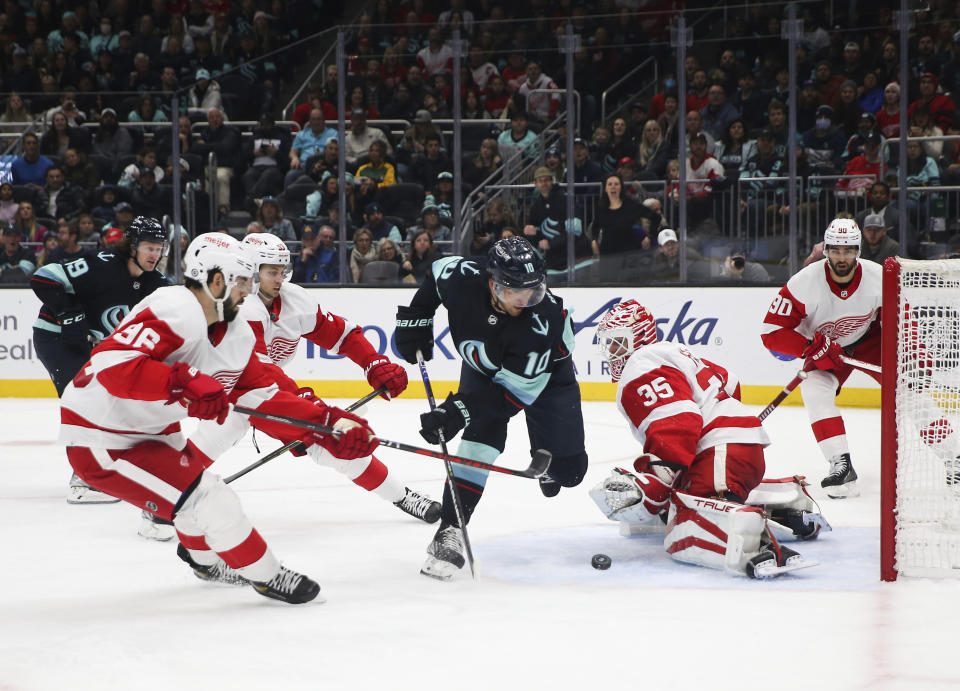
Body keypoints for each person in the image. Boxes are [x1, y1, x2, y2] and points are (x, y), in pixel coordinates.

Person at [59, 232, 378, 604]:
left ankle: (206, 564)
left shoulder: (238, 334)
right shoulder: (172, 307)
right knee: (210, 499)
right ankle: (267, 576)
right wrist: (184, 382)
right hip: (100, 435)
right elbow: (114, 367)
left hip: (151, 430)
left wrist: (331, 425)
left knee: (195, 490)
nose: (249, 290)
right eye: (242, 281)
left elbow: (266, 393)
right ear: (216, 280)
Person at [186, 233, 439, 522]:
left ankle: (401, 496)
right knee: (214, 439)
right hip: (228, 390)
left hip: (266, 392)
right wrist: (309, 405)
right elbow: (258, 371)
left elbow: (343, 335)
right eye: (271, 272)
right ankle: (162, 497)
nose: (280, 279)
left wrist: (373, 362)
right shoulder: (241, 305)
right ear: (251, 271)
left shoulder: (294, 299)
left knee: (331, 444)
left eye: (283, 271)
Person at [394, 236, 587, 580]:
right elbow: (436, 274)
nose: (526, 300)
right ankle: (451, 529)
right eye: (516, 292)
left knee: (570, 473)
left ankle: (551, 461)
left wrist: (457, 411)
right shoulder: (464, 277)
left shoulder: (540, 323)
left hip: (546, 375)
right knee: (480, 439)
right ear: (492, 283)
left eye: (534, 290)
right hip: (485, 367)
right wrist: (417, 318)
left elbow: (509, 398)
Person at [589, 300, 821, 578]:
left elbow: (677, 420)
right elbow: (731, 382)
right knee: (680, 503)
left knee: (681, 530)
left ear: (638, 336)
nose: (612, 352)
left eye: (617, 343)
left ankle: (756, 545)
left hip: (719, 453)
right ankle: (789, 504)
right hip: (736, 451)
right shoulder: (674, 351)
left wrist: (659, 476)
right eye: (608, 344)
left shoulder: (639, 363)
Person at [30, 216, 170, 511]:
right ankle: (82, 479)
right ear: (131, 246)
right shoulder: (101, 265)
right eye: (148, 247)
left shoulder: (156, 284)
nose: (154, 255)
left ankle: (104, 464)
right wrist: (69, 312)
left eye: (158, 248)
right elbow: (44, 277)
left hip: (93, 348)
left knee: (112, 402)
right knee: (81, 401)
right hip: (56, 340)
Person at [761, 218, 882, 498]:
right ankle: (841, 464)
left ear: (858, 250)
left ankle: (952, 458)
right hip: (823, 350)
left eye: (849, 250)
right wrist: (808, 347)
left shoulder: (879, 277)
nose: (842, 257)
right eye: (836, 250)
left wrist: (913, 356)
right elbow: (771, 332)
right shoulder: (803, 283)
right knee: (815, 391)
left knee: (909, 391)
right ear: (826, 250)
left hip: (870, 341)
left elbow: (901, 319)